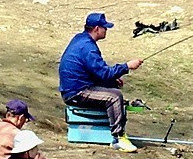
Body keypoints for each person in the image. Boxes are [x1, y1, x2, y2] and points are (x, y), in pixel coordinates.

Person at [58, 13, 143, 151]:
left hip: (76, 87)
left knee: (113, 88)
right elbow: (104, 73)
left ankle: (115, 131)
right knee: (115, 96)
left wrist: (112, 80)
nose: (106, 30)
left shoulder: (80, 39)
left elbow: (95, 71)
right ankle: (118, 138)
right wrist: (127, 66)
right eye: (105, 27)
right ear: (97, 28)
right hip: (76, 92)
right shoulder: (88, 47)